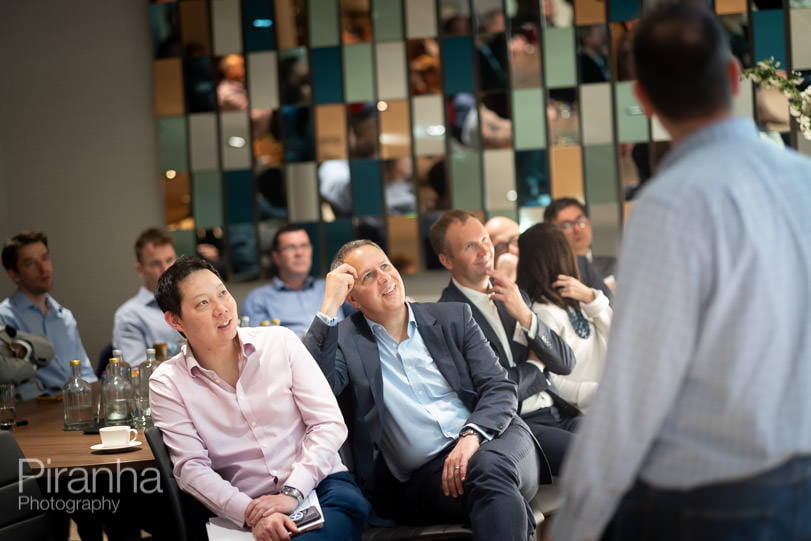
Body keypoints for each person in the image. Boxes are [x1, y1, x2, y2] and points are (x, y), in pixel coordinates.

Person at [547, 3, 811, 540]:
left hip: (711, 496)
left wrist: (577, 521)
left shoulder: (668, 205)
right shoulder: (802, 178)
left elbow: (637, 386)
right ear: (735, 75)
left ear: (642, 98)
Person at [304, 240, 542, 541]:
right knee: (493, 487)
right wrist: (328, 307)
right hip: (429, 476)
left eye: (385, 266)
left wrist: (471, 436)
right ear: (352, 298)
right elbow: (316, 386)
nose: (385, 278)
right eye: (368, 277)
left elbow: (500, 387)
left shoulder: (454, 317)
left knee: (488, 468)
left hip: (496, 439)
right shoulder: (345, 342)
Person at [150, 256, 369, 540]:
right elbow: (191, 467)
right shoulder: (168, 382)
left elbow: (328, 424)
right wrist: (252, 513)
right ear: (174, 320)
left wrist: (292, 493)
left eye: (222, 293)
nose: (222, 309)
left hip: (321, 489)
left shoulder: (281, 342)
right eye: (203, 303)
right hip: (243, 509)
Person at [430, 211, 578, 475]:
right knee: (593, 453)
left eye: (485, 239)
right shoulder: (446, 317)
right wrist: (534, 366)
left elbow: (565, 363)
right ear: (446, 260)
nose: (484, 250)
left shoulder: (513, 294)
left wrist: (524, 314)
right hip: (517, 426)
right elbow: (486, 392)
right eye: (469, 246)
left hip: (557, 410)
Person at [516, 223, 612, 410]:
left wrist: (591, 298)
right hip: (584, 413)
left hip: (607, 404)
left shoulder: (581, 299)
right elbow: (546, 378)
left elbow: (618, 336)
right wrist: (598, 393)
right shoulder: (542, 312)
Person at [0, 232, 96, 391]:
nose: (43, 268)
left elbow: (85, 373)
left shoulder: (64, 317)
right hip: (37, 408)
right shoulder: (5, 318)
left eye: (45, 258)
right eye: (30, 263)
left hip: (77, 403)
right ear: (14, 274)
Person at [242, 225, 352, 336]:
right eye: (290, 247)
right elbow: (261, 344)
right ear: (276, 257)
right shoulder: (258, 299)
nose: (299, 253)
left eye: (304, 246)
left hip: (339, 351)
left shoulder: (332, 286)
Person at [112, 228, 181, 365]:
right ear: (140, 269)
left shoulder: (191, 302)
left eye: (169, 260)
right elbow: (137, 371)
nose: (166, 268)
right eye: (156, 263)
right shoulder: (129, 316)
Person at [543, 197, 617, 292]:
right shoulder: (550, 273)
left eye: (580, 220)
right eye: (567, 225)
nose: (577, 229)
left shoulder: (615, 265)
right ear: (552, 234)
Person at [0, 325, 53, 399]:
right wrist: (32, 367)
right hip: (9, 403)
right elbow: (4, 372)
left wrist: (22, 347)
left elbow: (46, 346)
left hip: (38, 397)